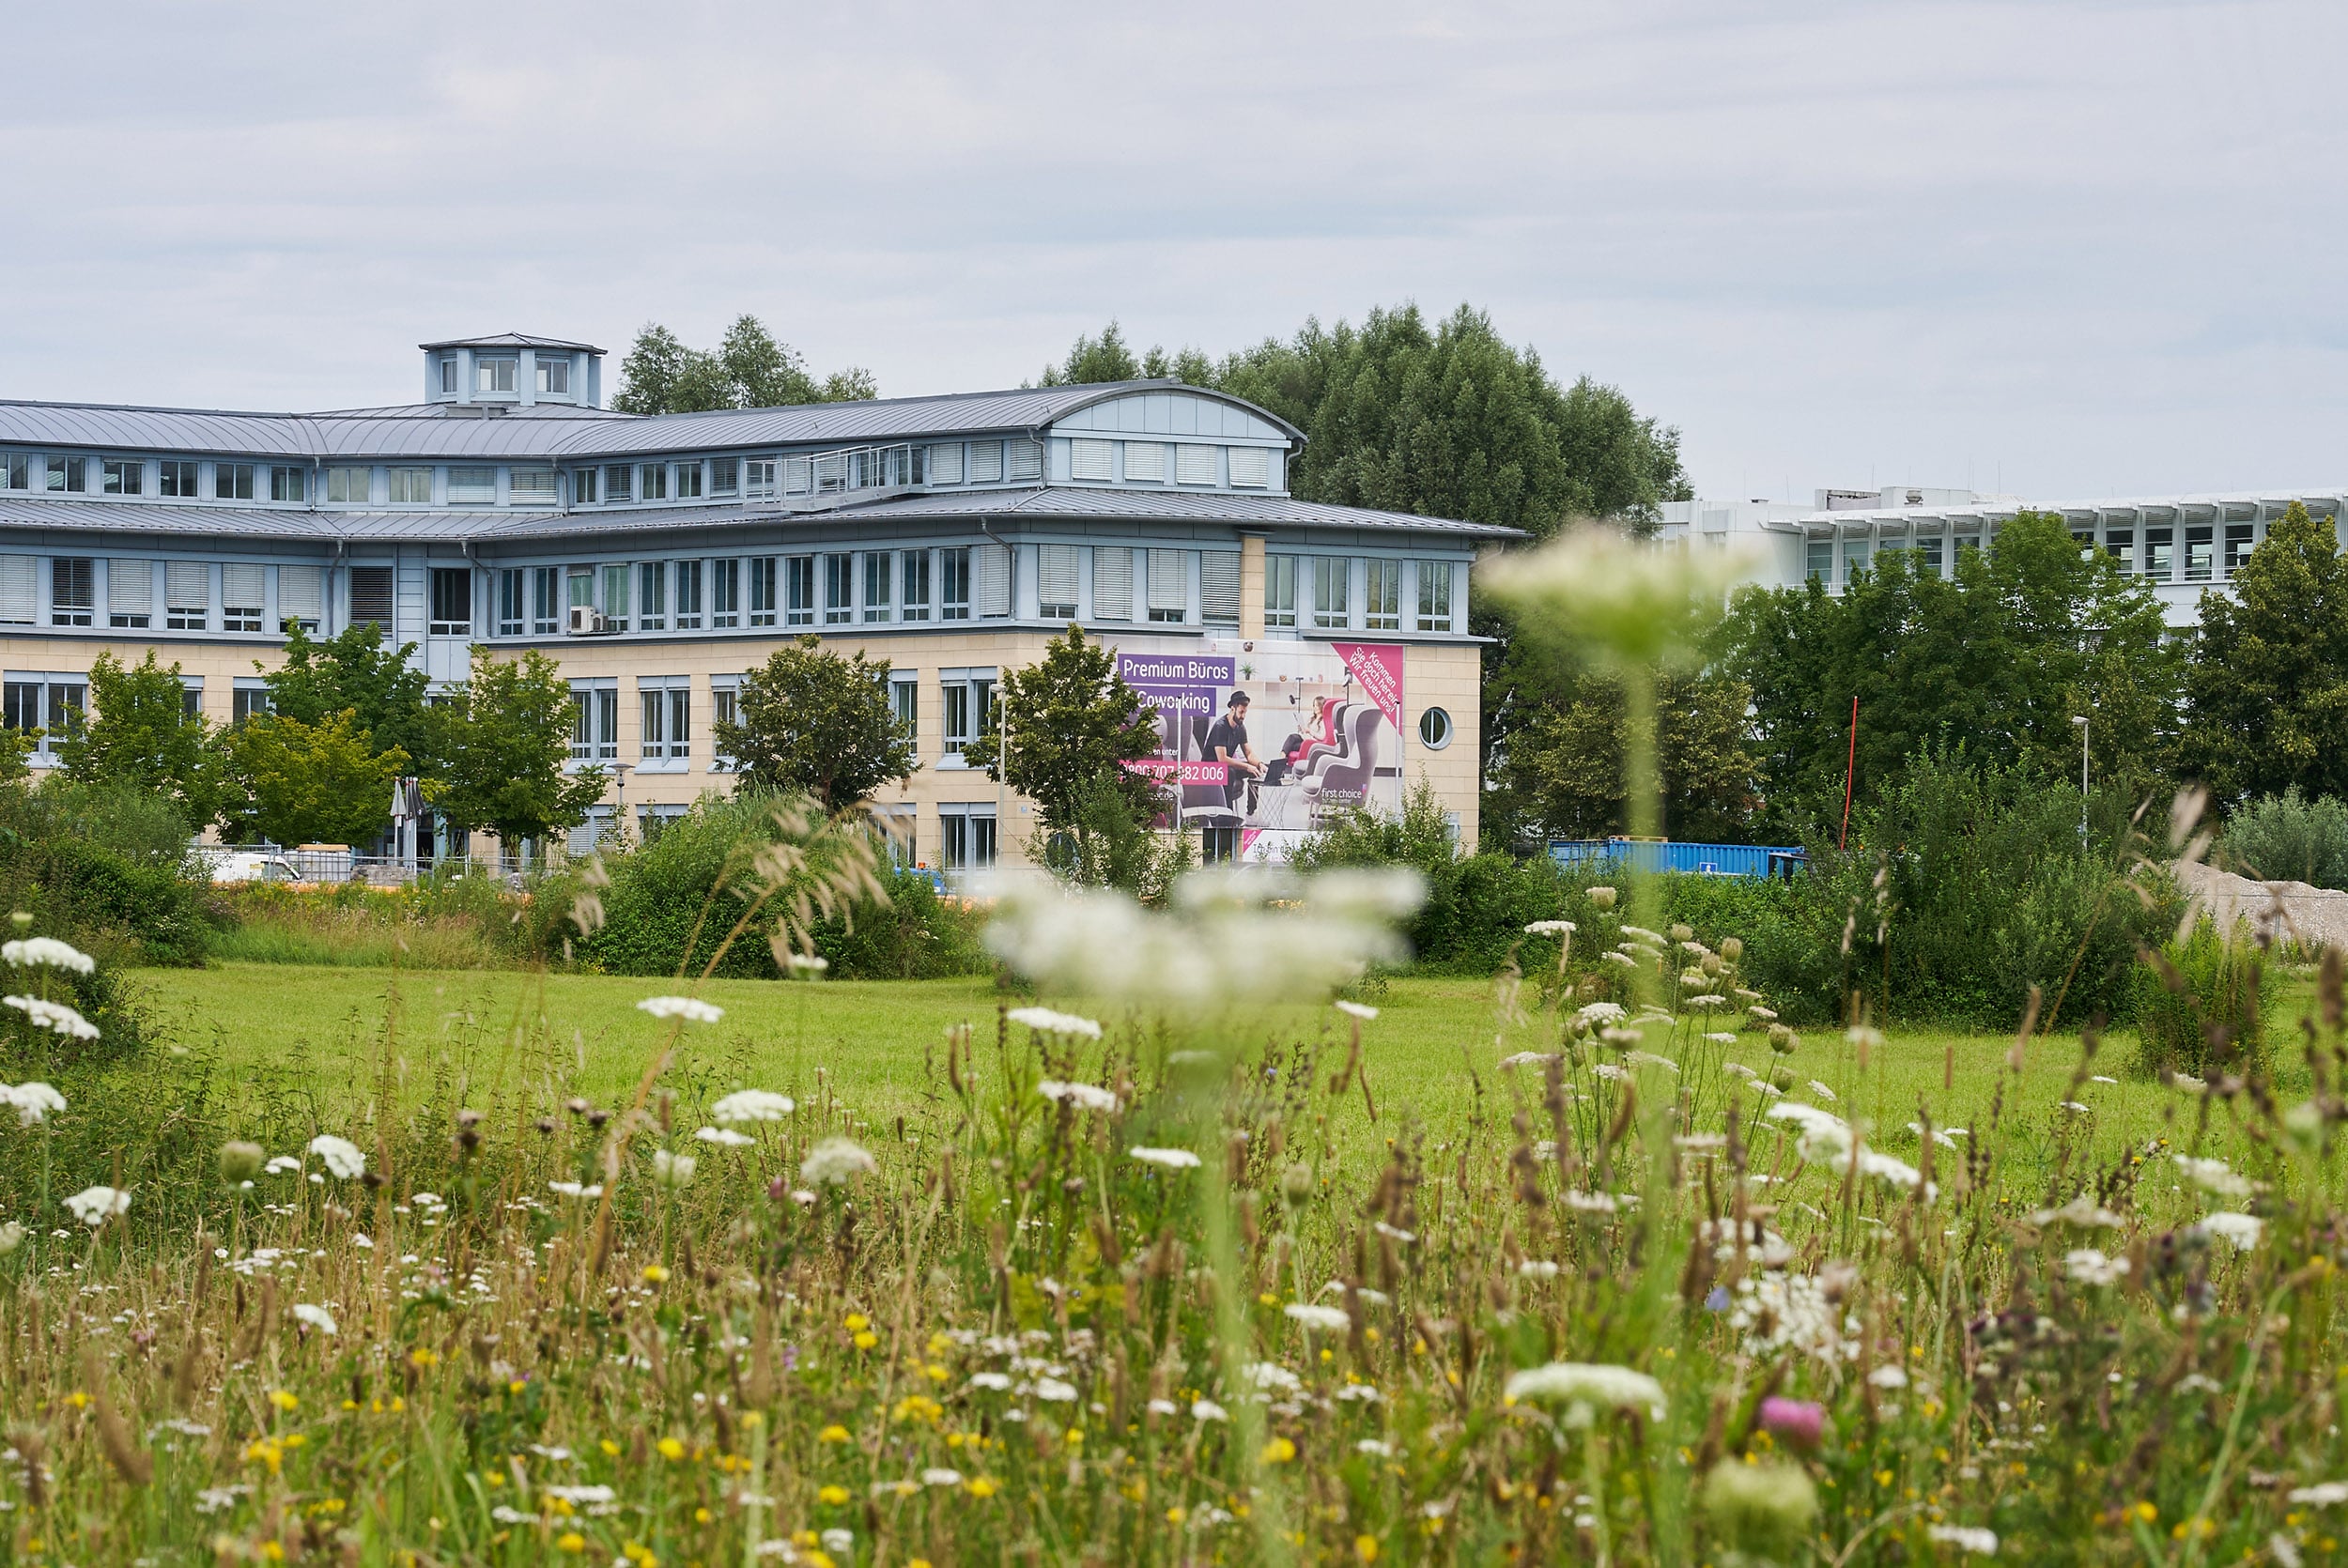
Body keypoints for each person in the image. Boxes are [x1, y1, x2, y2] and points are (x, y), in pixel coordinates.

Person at [1204, 691, 1262, 812]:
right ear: (1232, 709)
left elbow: (1249, 753)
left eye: (1245, 712)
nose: (1243, 716)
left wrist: (1259, 764)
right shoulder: (1220, 727)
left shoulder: (1240, 727)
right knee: (1230, 772)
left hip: (1226, 766)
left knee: (1255, 770)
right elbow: (1222, 759)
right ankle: (1228, 813)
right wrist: (1247, 766)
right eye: (1241, 712)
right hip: (1210, 768)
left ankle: (1251, 812)